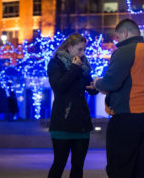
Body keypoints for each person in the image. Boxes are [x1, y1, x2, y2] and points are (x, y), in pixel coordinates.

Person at [93, 18, 144, 178]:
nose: (116, 43)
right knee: (141, 165)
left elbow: (110, 82)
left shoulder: (125, 50)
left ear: (125, 33)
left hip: (129, 115)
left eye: (117, 38)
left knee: (119, 166)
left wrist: (97, 82)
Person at [47, 33, 98, 178]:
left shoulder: (84, 66)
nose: (82, 54)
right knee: (59, 163)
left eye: (84, 50)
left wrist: (95, 87)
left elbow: (88, 86)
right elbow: (59, 86)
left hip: (81, 122)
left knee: (78, 166)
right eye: (79, 50)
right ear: (69, 48)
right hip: (63, 121)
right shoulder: (55, 63)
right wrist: (75, 68)